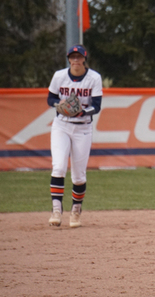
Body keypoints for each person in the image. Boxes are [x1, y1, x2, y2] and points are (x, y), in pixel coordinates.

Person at [46, 44, 103, 228]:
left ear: (84, 58)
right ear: (69, 59)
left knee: (79, 176)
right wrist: (59, 103)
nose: (76, 60)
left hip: (83, 128)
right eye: (73, 57)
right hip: (61, 125)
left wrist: (82, 112)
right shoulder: (59, 76)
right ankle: (56, 210)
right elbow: (50, 99)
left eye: (79, 57)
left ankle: (76, 211)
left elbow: (97, 105)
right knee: (59, 167)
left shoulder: (94, 78)